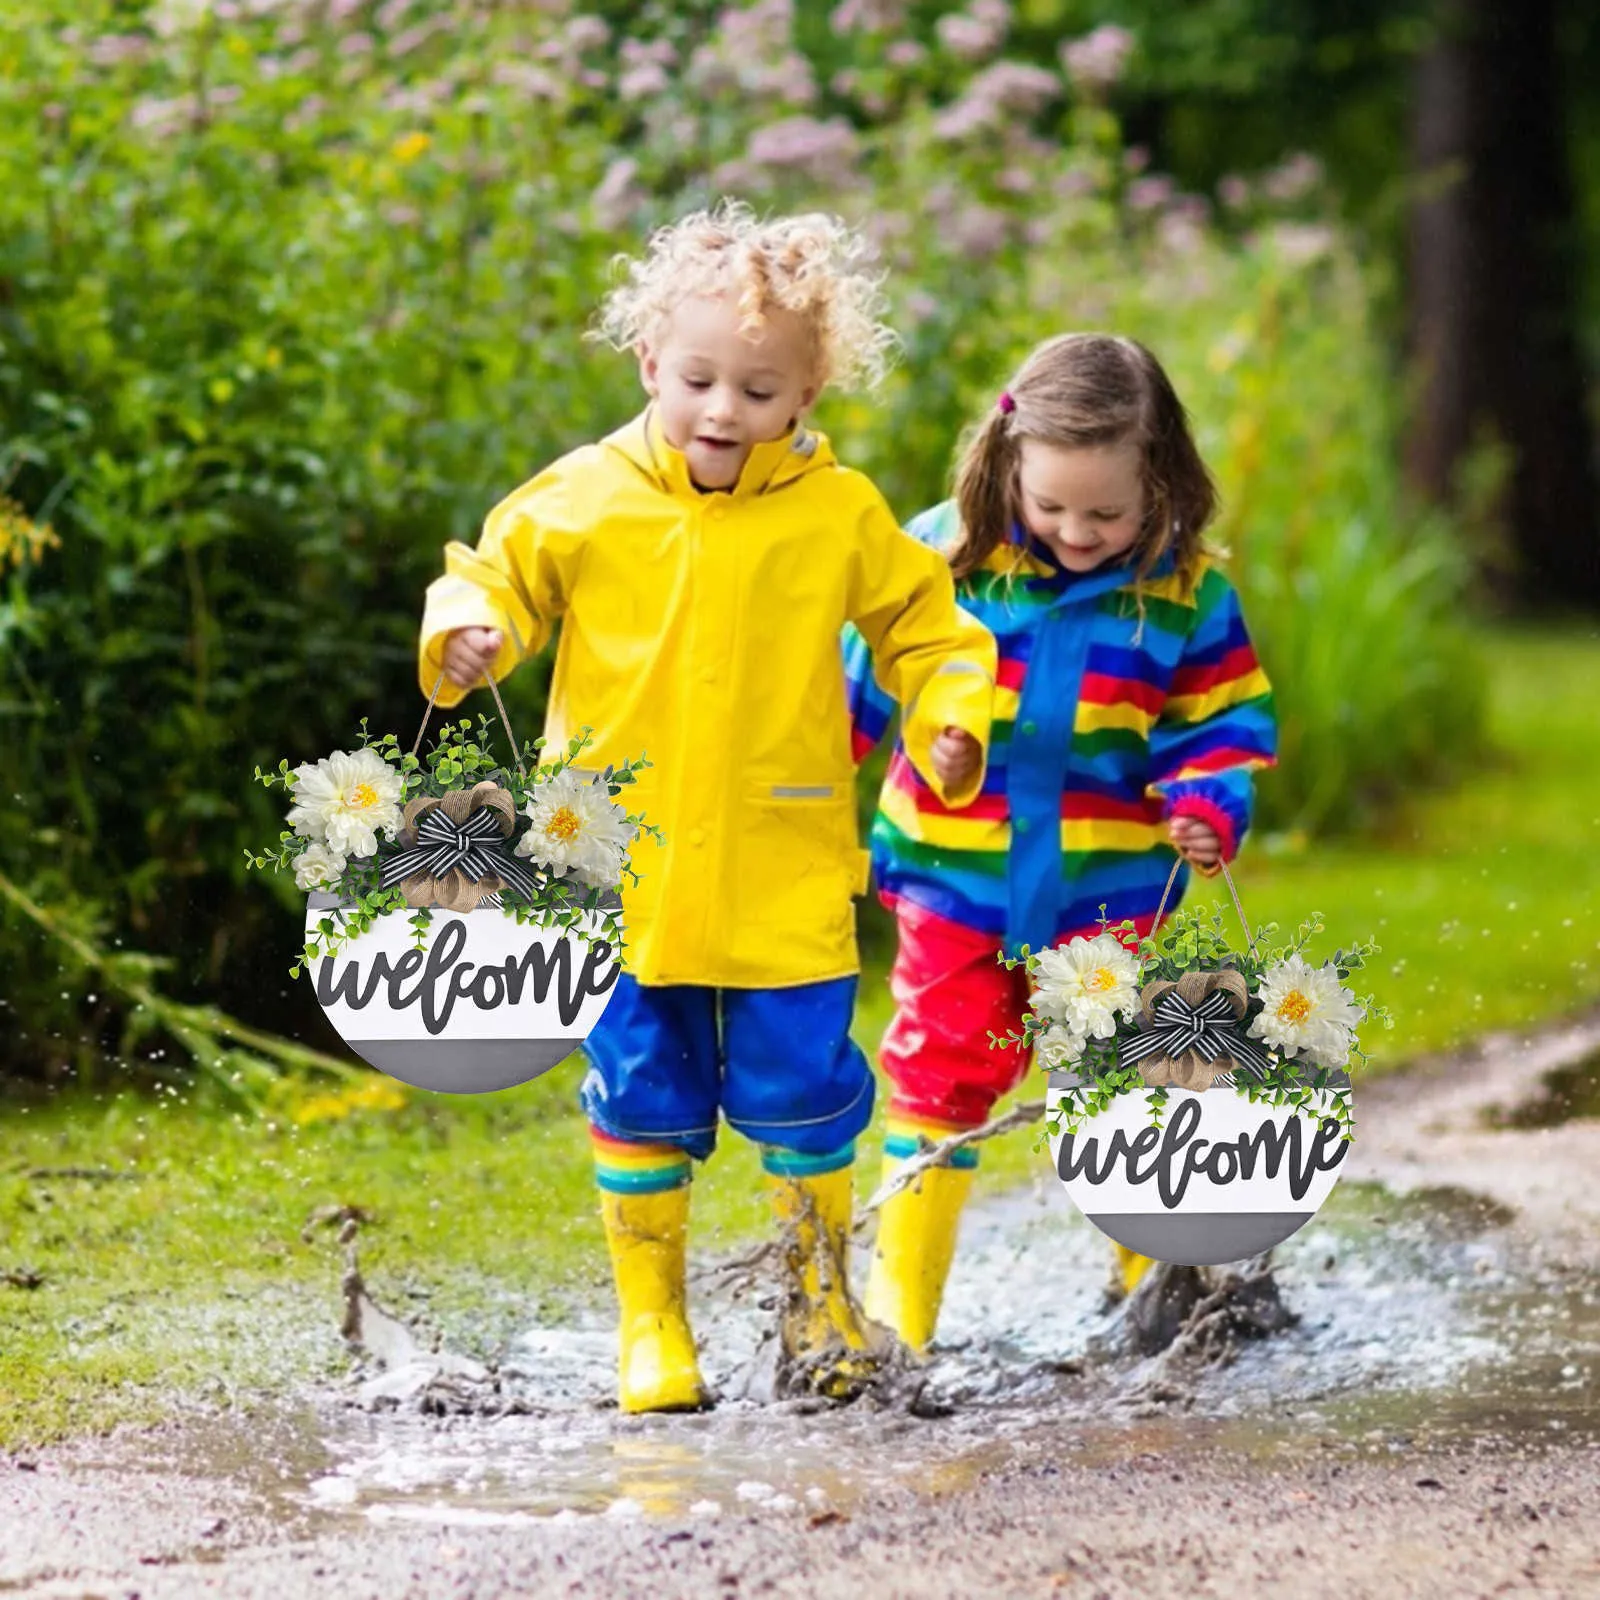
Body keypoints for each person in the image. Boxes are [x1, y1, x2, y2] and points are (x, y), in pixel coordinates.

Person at [417, 201, 996, 1412]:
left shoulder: (837, 514)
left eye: (759, 388)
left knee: (803, 1093)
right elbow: (495, 575)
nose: (723, 410)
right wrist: (469, 634)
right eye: (697, 379)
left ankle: (817, 1305)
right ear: (648, 364)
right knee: (638, 1094)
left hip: (781, 866)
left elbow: (930, 628)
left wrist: (951, 717)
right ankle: (653, 1326)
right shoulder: (583, 494)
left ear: (807, 393)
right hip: (619, 877)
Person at [844, 332, 1278, 1352]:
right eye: (1050, 507)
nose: (1076, 532)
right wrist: (812, 793)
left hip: (1108, 891)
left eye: (1106, 512)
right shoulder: (942, 559)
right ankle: (901, 1312)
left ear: (1159, 479)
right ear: (1007, 464)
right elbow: (847, 692)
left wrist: (1206, 806)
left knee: (1117, 1076)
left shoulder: (1184, 596)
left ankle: (1152, 1293)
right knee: (938, 1073)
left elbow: (1221, 726)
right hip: (955, 884)